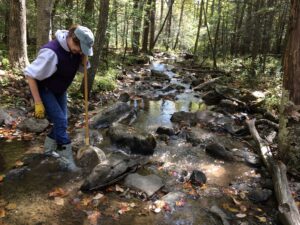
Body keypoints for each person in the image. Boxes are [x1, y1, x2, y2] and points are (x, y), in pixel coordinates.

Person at [24, 24, 94, 172]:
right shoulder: (51, 52)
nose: (80, 51)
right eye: (79, 48)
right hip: (45, 89)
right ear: (72, 39)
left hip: (60, 90)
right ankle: (67, 161)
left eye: (82, 49)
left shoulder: (77, 51)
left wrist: (83, 58)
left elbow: (82, 68)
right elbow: (30, 74)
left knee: (63, 120)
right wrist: (38, 102)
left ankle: (48, 151)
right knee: (61, 121)